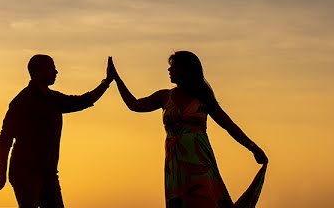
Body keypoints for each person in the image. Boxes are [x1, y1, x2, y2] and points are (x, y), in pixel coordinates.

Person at [108, 52, 268, 208]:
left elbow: (228, 125)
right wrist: (116, 79)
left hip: (200, 161)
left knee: (205, 199)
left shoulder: (203, 97)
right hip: (176, 165)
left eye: (173, 67)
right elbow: (135, 105)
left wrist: (253, 148)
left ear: (186, 70)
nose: (169, 70)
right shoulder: (165, 96)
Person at [0, 54, 112, 208]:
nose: (56, 72)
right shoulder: (21, 101)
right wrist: (2, 169)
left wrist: (107, 82)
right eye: (52, 68)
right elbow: (5, 139)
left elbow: (83, 101)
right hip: (25, 172)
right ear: (39, 71)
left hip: (48, 173)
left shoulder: (54, 99)